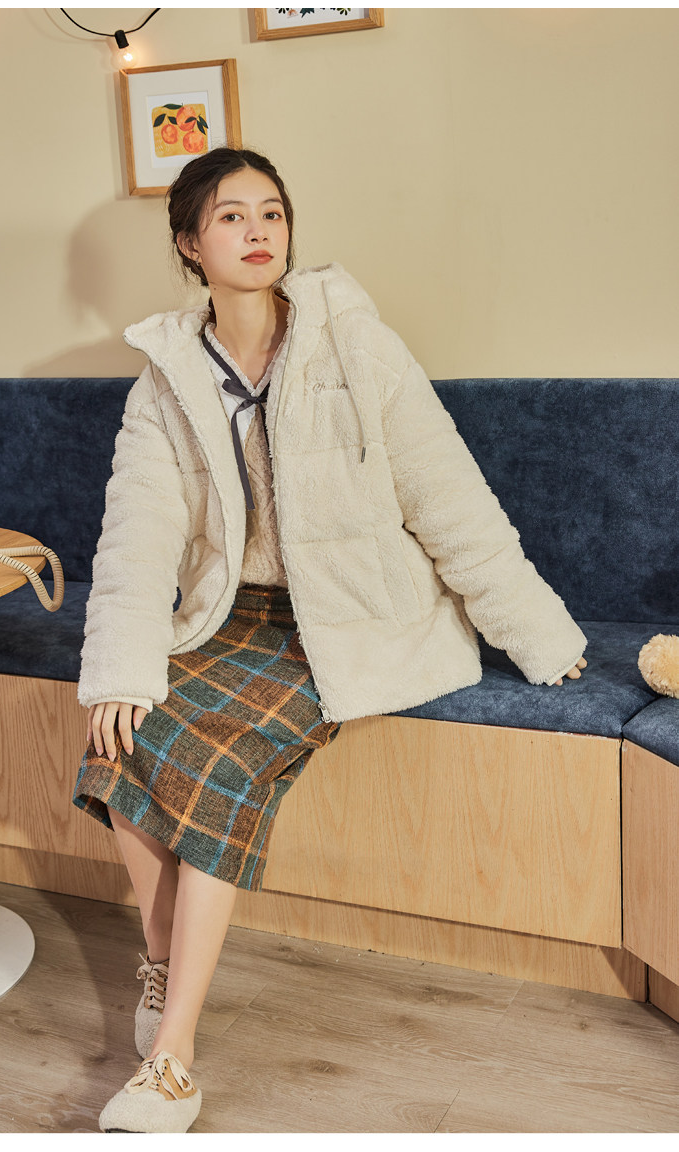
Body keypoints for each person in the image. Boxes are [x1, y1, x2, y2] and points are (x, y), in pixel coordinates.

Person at [74, 146, 587, 1133]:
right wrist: (121, 670)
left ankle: (174, 1059)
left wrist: (535, 632)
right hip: (231, 615)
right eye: (231, 216)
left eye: (271, 212)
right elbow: (135, 537)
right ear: (189, 244)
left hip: (347, 619)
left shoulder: (356, 344)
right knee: (118, 739)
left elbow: (449, 498)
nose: (258, 230)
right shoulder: (165, 381)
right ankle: (162, 963)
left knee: (218, 762)